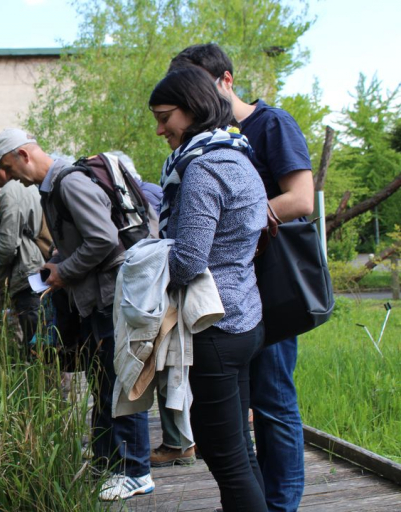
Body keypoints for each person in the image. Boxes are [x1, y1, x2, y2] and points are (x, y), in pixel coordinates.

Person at [170, 43, 314, 512]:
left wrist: (245, 217)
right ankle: (254, 500)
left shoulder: (269, 125)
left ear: (225, 81)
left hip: (270, 283)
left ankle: (280, 504)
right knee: (244, 415)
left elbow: (303, 199)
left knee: (274, 402)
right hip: (239, 288)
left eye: (197, 85)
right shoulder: (222, 138)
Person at [0, 127, 153, 501]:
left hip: (113, 298)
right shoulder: (51, 187)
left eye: (9, 167)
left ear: (24, 155)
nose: (9, 176)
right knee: (102, 383)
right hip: (95, 299)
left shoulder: (69, 183)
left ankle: (135, 470)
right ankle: (110, 463)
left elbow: (104, 241)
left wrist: (65, 270)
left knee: (120, 382)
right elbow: (82, 241)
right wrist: (56, 262)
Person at [149, 66, 268, 510]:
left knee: (225, 455)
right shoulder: (239, 155)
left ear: (194, 107)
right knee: (240, 448)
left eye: (165, 117)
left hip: (215, 325)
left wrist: (150, 260)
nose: (161, 129)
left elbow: (189, 261)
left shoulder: (203, 169)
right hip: (245, 317)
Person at [0, 174, 44, 350]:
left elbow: (7, 247)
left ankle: (42, 371)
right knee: (25, 337)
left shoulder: (12, 207)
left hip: (25, 277)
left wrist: (1, 274)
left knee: (34, 334)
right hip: (10, 285)